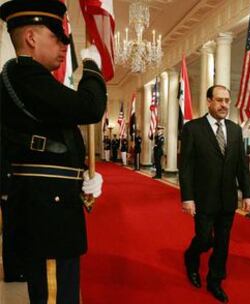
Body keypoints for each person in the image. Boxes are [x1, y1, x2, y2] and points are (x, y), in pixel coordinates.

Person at [0, 0, 106, 302]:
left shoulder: (30, 79)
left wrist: (80, 178)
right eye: (57, 38)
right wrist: (94, 69)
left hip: (52, 202)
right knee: (55, 295)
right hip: (48, 215)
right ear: (31, 38)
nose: (63, 47)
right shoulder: (25, 76)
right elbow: (89, 107)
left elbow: (53, 144)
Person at [180, 85, 250, 303]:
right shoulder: (193, 128)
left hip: (228, 199)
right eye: (219, 100)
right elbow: (186, 167)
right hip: (203, 198)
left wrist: (247, 194)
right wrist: (187, 197)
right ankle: (191, 257)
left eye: (227, 101)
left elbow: (242, 165)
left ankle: (215, 281)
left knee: (222, 242)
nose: (224, 105)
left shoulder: (235, 129)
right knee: (204, 239)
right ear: (208, 101)